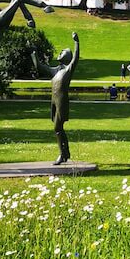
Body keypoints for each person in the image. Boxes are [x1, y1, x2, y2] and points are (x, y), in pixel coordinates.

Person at [31, 32, 80, 165]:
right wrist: (34, 53)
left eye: (62, 52)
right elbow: (39, 67)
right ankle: (65, 153)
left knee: (57, 128)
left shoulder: (68, 70)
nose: (60, 53)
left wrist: (76, 42)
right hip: (54, 102)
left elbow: (76, 58)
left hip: (62, 103)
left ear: (67, 57)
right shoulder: (55, 71)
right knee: (58, 128)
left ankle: (62, 155)